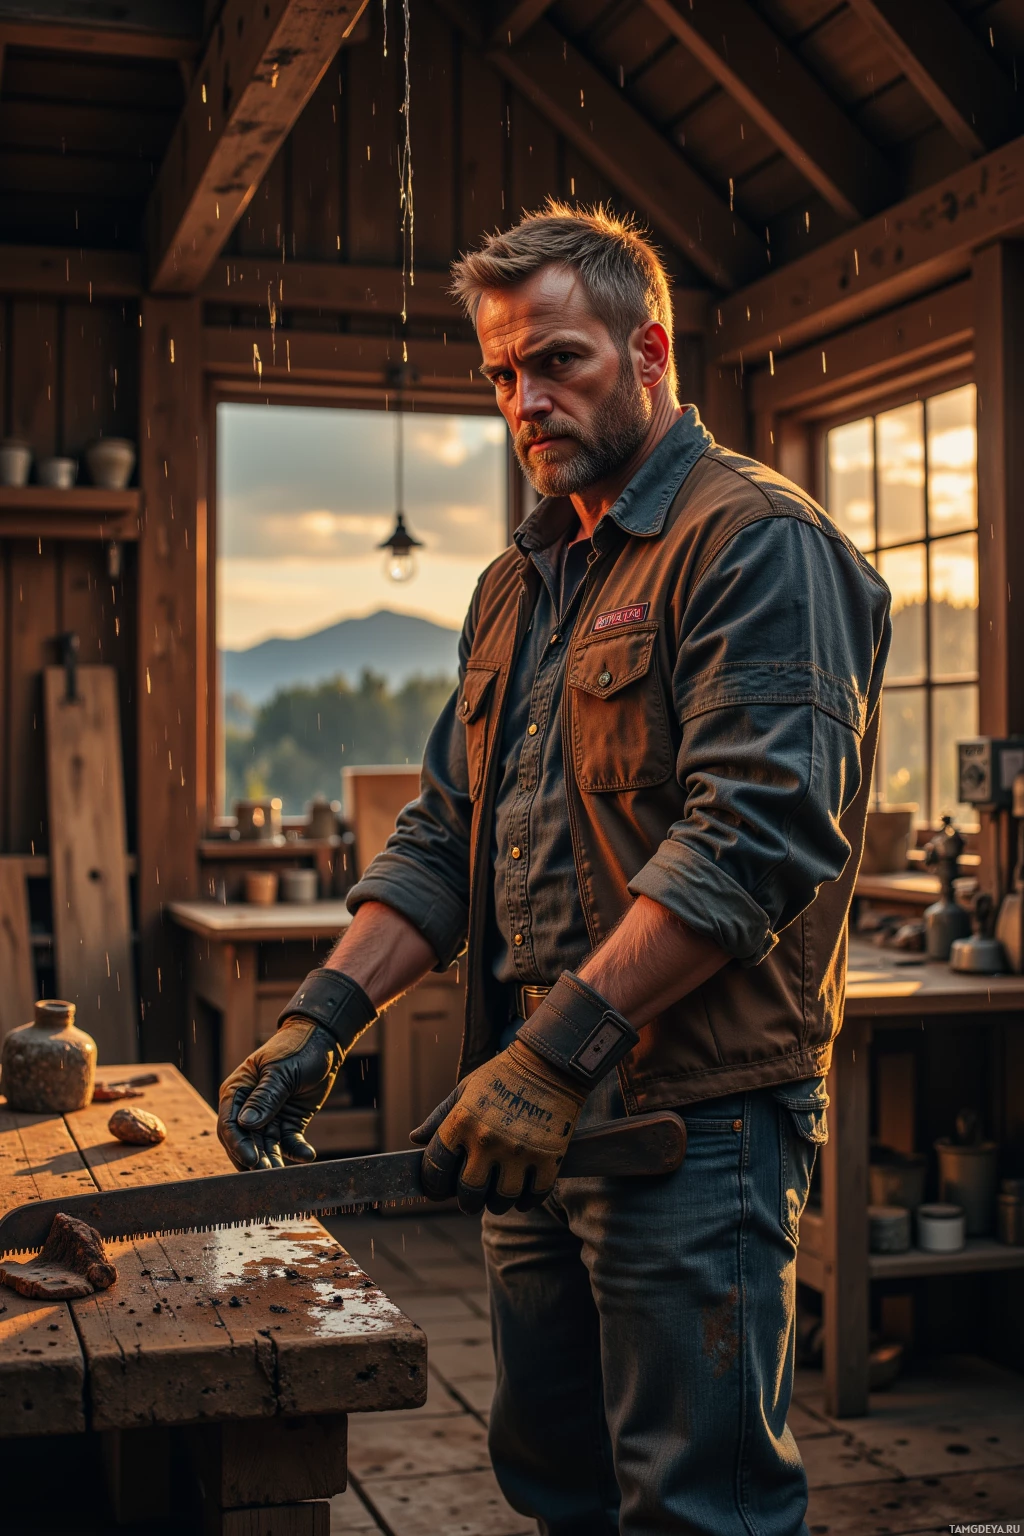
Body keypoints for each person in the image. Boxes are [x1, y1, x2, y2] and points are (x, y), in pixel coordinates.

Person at [218, 203, 891, 1536]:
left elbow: (751, 836)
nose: (526, 400)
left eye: (560, 361)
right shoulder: (516, 585)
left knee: (702, 1508)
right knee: (558, 1486)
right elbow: (444, 838)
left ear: (649, 350)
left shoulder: (752, 540)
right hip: (528, 1121)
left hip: (687, 1125)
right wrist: (322, 1021)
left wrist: (553, 1055)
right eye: (502, 375)